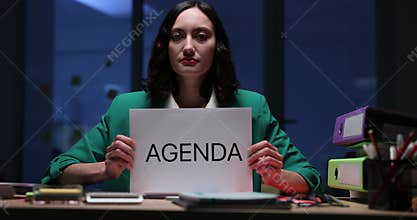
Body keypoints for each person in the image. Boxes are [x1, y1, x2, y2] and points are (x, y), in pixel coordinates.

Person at [41, 0, 322, 194]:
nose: (188, 47)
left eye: (201, 36)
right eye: (177, 36)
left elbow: (309, 178)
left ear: (217, 47)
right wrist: (105, 169)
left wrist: (276, 177)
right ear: (166, 47)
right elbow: (59, 171)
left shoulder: (252, 107)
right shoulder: (125, 108)